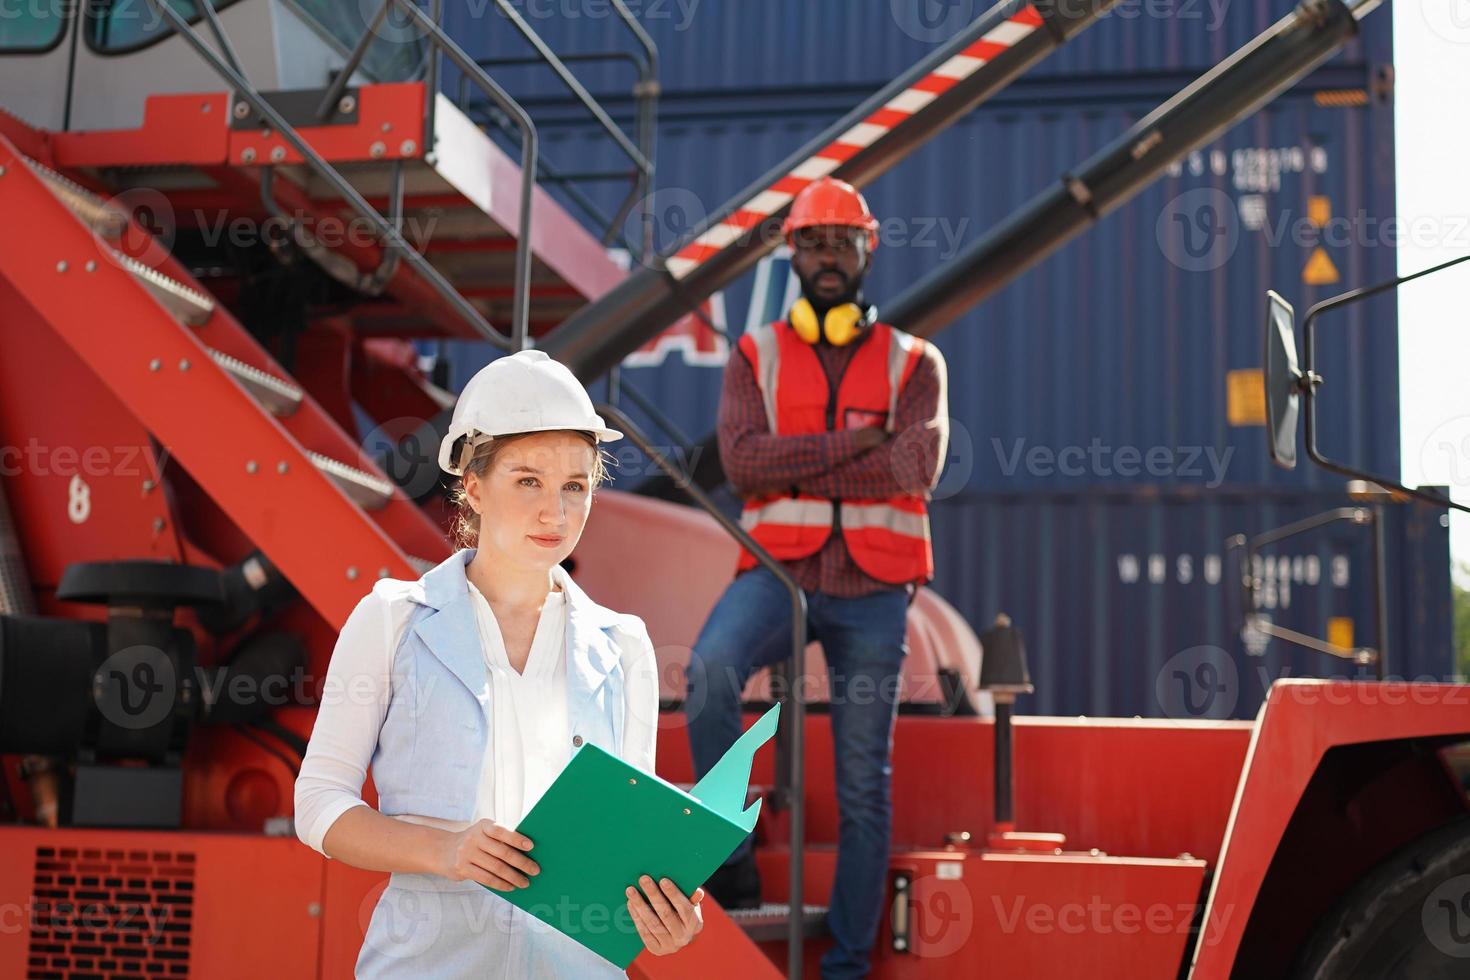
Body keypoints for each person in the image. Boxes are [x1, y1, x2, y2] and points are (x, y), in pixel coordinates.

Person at [294, 349, 704, 978]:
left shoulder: (624, 648)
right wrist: (446, 850)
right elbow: (319, 804)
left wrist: (660, 917)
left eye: (575, 486)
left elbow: (624, 851)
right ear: (474, 487)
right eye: (528, 481)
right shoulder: (393, 622)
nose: (555, 512)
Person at [686, 177, 949, 979]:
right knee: (708, 674)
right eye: (813, 242)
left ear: (867, 249)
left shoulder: (915, 361)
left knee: (865, 783)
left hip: (874, 593)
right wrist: (859, 443)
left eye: (843, 242)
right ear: (792, 253)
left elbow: (916, 464)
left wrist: (804, 466)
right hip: (779, 573)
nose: (828, 256)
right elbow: (741, 464)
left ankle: (845, 967)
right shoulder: (754, 354)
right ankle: (732, 865)